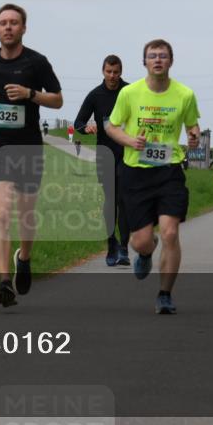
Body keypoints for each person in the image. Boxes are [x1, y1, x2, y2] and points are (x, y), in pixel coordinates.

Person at [0, 4, 63, 308]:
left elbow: (58, 100)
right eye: (2, 23)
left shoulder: (37, 62)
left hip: (27, 146)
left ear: (23, 28)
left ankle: (24, 257)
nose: (8, 27)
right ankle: (4, 282)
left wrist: (30, 94)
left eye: (13, 23)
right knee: (3, 212)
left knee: (26, 214)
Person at [106, 39, 200, 315]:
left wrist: (193, 136)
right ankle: (146, 252)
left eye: (162, 56)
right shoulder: (130, 93)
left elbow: (193, 124)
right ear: (144, 62)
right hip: (135, 173)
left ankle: (164, 294)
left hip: (169, 171)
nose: (157, 60)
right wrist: (129, 140)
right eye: (152, 56)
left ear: (171, 61)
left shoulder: (185, 95)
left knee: (171, 232)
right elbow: (112, 127)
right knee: (141, 241)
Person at [74, 54, 130, 266]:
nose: (112, 76)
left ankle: (124, 248)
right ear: (103, 71)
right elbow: (79, 121)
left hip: (127, 154)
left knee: (124, 200)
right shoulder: (95, 95)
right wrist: (86, 128)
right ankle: (111, 244)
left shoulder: (130, 92)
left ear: (121, 71)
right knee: (110, 201)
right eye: (109, 72)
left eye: (116, 72)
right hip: (105, 154)